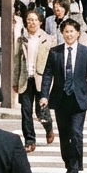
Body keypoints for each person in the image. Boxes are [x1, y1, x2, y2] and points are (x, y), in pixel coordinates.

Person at [39, 19, 87, 173]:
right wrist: (44, 95)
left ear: (78, 33)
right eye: (66, 31)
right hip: (61, 99)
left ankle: (75, 169)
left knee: (76, 132)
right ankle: (68, 165)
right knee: (65, 134)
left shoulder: (86, 52)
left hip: (79, 98)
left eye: (72, 31)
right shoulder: (55, 52)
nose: (69, 34)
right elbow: (47, 74)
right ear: (62, 33)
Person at [11, 9, 55, 152]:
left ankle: (48, 127)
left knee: (41, 111)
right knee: (26, 111)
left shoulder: (48, 39)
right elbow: (16, 60)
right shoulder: (21, 39)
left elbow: (53, 62)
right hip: (26, 78)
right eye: (29, 20)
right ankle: (30, 140)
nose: (32, 23)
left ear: (40, 22)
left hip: (42, 79)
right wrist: (15, 81)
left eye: (35, 20)